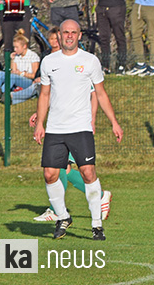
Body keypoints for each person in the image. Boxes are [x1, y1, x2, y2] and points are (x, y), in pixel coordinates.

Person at [33, 19, 123, 240]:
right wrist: (40, 123)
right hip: (55, 128)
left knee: (88, 173)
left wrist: (113, 122)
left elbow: (100, 93)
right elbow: (45, 94)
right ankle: (63, 217)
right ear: (59, 35)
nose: (69, 36)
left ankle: (96, 224)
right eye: (66, 32)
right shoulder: (49, 62)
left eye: (73, 32)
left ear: (79, 35)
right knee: (50, 174)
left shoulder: (90, 61)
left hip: (80, 128)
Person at [0, 30, 40, 103]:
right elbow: (13, 71)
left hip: (28, 82)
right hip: (17, 78)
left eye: (17, 47)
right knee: (0, 74)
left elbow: (34, 75)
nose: (15, 49)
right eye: (14, 47)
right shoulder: (16, 55)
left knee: (13, 77)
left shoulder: (33, 56)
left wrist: (21, 73)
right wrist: (12, 59)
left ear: (24, 46)